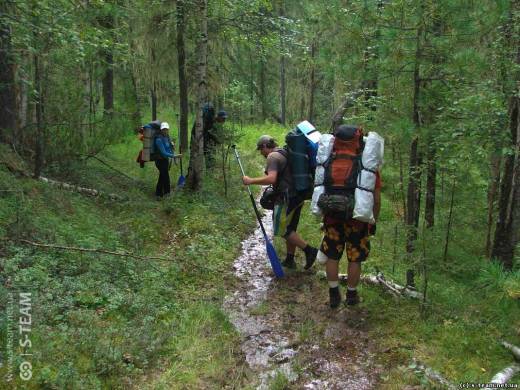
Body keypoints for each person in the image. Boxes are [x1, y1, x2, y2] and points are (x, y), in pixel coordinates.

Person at [318, 127, 382, 308]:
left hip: (332, 217)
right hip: (358, 220)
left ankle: (333, 294)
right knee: (355, 258)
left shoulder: (329, 160)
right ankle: (352, 296)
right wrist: (373, 220)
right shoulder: (367, 165)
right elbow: (376, 199)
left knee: (332, 255)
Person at [242, 135, 318, 269]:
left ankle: (309, 251)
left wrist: (251, 181)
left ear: (265, 146)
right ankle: (290, 259)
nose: (261, 153)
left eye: (261, 149)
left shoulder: (272, 157)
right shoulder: (285, 152)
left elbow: (271, 179)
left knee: (281, 230)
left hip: (286, 198)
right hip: (298, 196)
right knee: (291, 228)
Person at [154, 122, 174, 199]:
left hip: (165, 160)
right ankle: (167, 193)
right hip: (159, 161)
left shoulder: (167, 137)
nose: (165, 131)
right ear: (161, 130)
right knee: (165, 177)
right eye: (163, 129)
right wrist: (174, 156)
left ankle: (158, 194)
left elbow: (168, 149)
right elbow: (163, 152)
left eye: (166, 129)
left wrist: (172, 149)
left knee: (162, 176)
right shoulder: (158, 139)